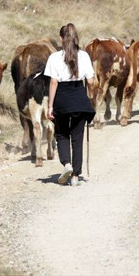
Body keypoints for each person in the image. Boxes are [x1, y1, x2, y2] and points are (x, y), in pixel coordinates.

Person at [46, 23, 96, 186]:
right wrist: (92, 94)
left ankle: (66, 164)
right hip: (80, 98)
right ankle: (75, 176)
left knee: (61, 134)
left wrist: (50, 106)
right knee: (77, 138)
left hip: (61, 98)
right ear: (76, 38)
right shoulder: (84, 56)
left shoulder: (54, 57)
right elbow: (90, 81)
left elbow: (53, 83)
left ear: (61, 39)